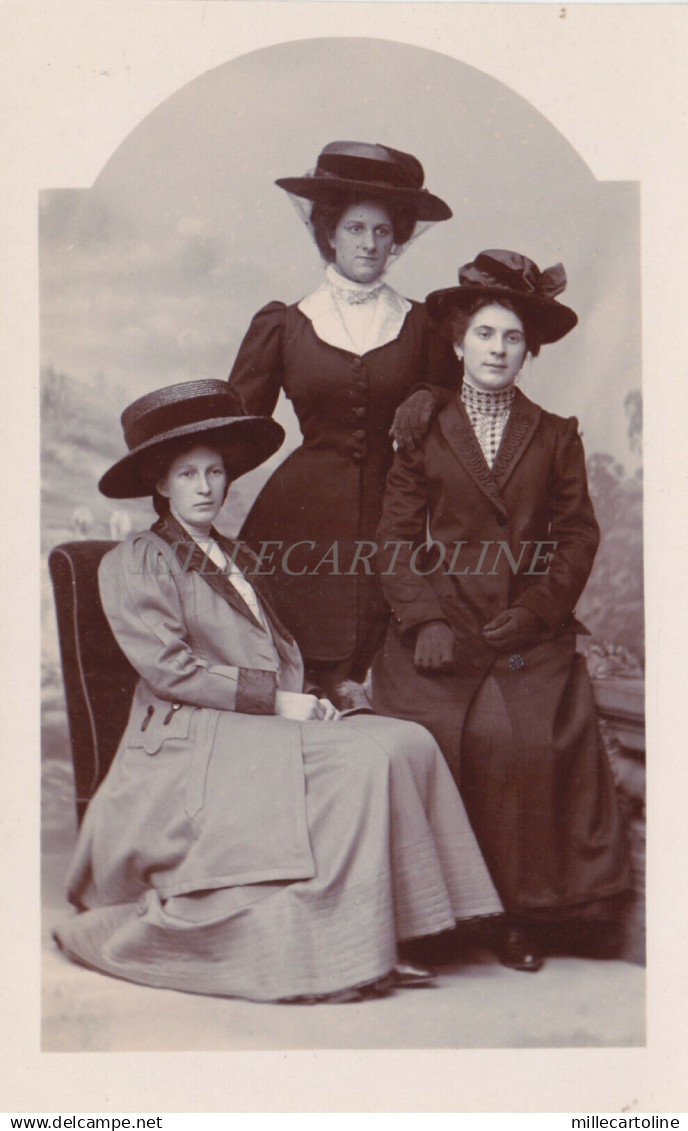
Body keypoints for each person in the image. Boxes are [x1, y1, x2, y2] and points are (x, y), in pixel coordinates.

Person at [53, 379, 502, 1003]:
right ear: (161, 485)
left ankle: (408, 929)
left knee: (407, 740)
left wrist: (327, 695)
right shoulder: (136, 560)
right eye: (188, 475)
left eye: (214, 471)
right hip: (188, 738)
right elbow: (170, 669)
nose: (207, 486)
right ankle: (346, 948)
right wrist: (277, 701)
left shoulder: (235, 557)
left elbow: (273, 652)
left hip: (253, 718)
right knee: (363, 760)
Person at [371, 250, 630, 972]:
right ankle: (432, 914)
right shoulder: (425, 423)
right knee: (434, 741)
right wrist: (420, 619)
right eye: (484, 334)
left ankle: (518, 913)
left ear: (530, 349)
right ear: (458, 342)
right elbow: (394, 533)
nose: (497, 349)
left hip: (523, 630)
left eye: (512, 338)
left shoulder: (554, 434)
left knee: (522, 744)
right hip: (440, 627)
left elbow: (578, 532)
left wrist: (541, 608)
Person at [228, 141, 461, 707]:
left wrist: (429, 393)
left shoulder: (423, 323)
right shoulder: (285, 323)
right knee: (297, 683)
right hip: (298, 522)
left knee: (378, 681)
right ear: (329, 232)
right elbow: (235, 427)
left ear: (398, 238)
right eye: (355, 228)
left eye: (382, 231)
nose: (369, 243)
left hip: (395, 515)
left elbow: (462, 408)